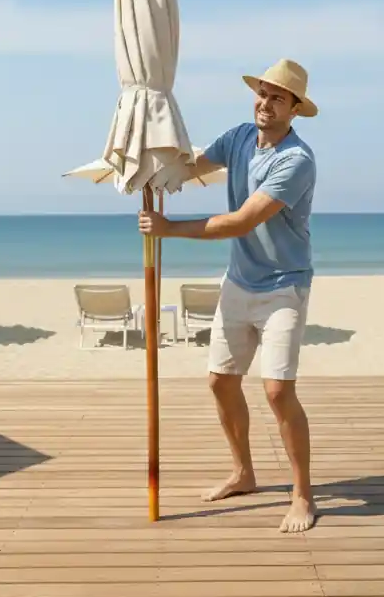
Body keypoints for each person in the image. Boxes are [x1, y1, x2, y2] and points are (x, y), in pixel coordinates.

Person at [137, 57, 319, 534]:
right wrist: (152, 168)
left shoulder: (296, 160)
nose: (265, 103)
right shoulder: (239, 137)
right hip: (239, 280)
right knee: (220, 382)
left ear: (294, 109)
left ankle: (302, 495)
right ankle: (243, 473)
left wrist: (168, 228)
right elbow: (192, 167)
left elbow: (242, 221)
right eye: (262, 93)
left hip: (284, 286)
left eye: (277, 98)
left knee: (277, 391)